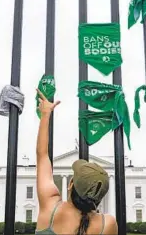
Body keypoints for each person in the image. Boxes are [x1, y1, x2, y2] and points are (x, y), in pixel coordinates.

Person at [34, 89, 118, 235]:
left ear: (71, 184)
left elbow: (42, 155)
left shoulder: (50, 208)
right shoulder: (107, 224)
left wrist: (45, 114)